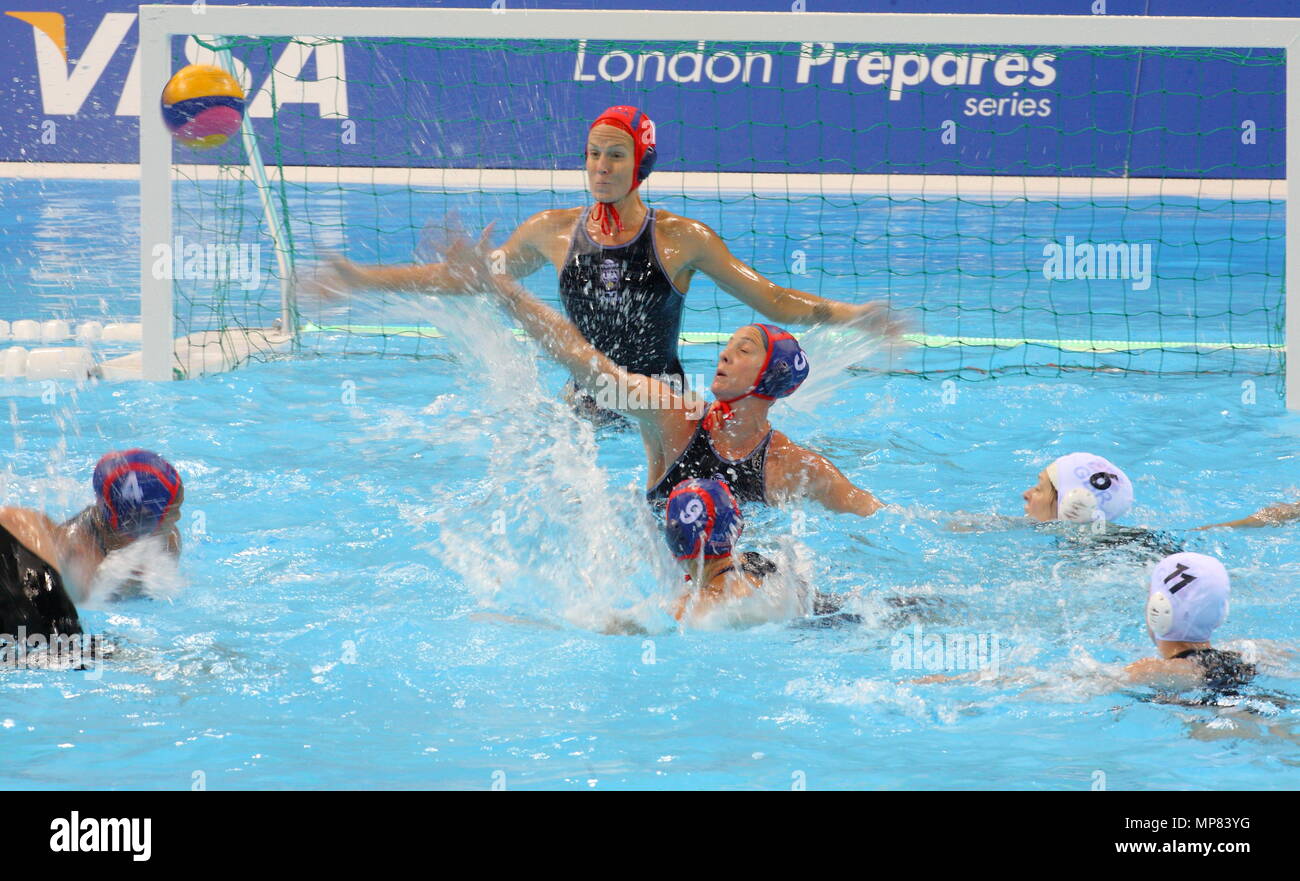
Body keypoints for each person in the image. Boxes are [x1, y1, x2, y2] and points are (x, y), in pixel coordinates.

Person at [309, 104, 903, 401]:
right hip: (583, 398)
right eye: (594, 152)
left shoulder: (682, 239)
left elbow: (773, 299)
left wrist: (856, 317)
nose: (600, 166)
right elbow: (465, 280)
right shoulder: (551, 230)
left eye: (615, 155)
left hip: (660, 401)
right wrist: (359, 277)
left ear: (640, 164)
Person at [442, 231, 886, 516]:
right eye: (728, 346)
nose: (724, 355)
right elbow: (587, 364)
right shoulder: (673, 416)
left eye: (743, 349)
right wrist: (506, 294)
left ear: (768, 378)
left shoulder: (792, 464)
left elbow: (875, 515)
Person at [0, 449, 184, 642]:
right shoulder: (74, 553)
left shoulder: (168, 538)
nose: (177, 518)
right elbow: (63, 628)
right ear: (139, 521)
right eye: (172, 511)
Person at [1125, 552, 1256, 693]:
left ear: (1157, 608)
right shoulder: (1242, 657)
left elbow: (1102, 682)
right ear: (1221, 613)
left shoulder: (1149, 671)